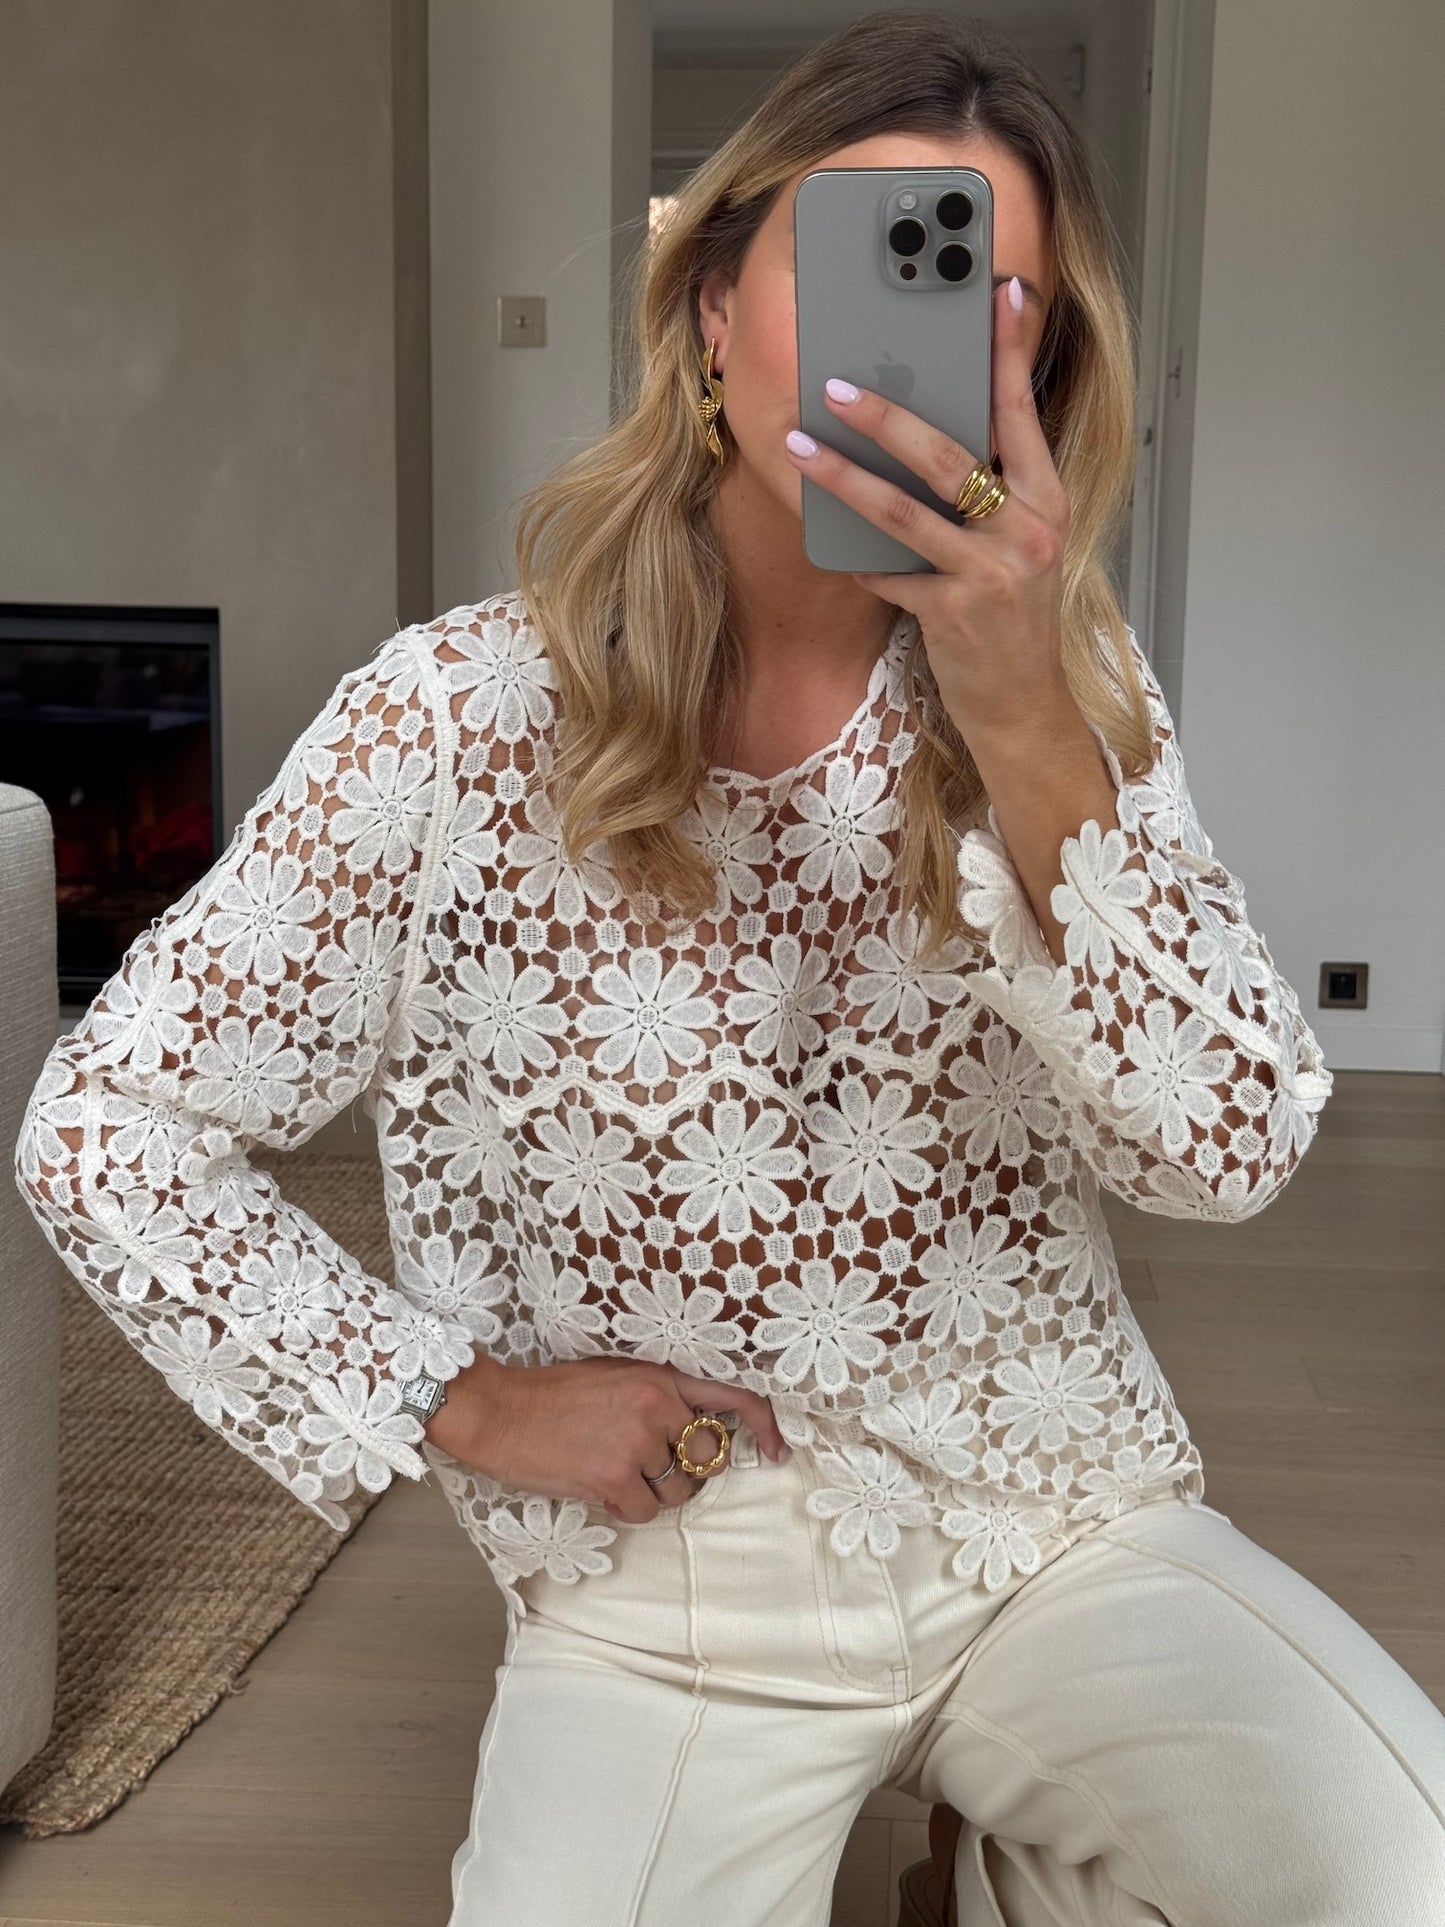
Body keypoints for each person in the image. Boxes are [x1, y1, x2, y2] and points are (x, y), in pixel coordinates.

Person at [13, 11, 1445, 1924]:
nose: (917, 337)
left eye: (994, 299)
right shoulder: (453, 719)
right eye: (873, 260)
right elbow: (106, 1125)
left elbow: (1225, 1153)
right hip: (675, 1587)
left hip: (1049, 1518)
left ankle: (1013, 1856)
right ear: (708, 310)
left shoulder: (1077, 695)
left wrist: (1025, 715)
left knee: (1401, 1875)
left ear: (1042, 376)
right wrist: (462, 1397)